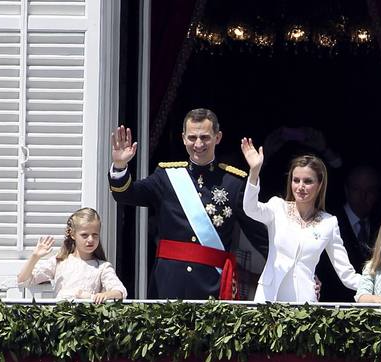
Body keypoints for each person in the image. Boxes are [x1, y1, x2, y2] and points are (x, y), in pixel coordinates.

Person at [109, 108, 266, 300]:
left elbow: (260, 236)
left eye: (205, 137)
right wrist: (120, 166)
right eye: (192, 137)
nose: (198, 144)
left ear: (218, 137)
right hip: (169, 285)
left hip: (212, 287)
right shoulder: (166, 177)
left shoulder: (234, 183)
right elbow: (125, 195)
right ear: (183, 138)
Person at [240, 138, 359, 303]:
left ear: (320, 184)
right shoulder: (278, 207)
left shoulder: (329, 223)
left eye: (308, 181)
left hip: (304, 303)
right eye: (296, 180)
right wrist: (254, 172)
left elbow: (346, 273)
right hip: (269, 298)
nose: (300, 186)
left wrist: (377, 286)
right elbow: (250, 208)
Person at [17, 207, 127, 302]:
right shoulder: (59, 262)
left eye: (95, 235)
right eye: (84, 235)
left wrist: (104, 295)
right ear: (73, 235)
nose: (90, 239)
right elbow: (23, 280)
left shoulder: (102, 267)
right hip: (61, 316)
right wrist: (35, 257)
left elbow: (120, 292)